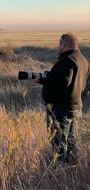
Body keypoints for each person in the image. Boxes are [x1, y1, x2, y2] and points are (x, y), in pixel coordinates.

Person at [31, 32, 90, 165]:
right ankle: (75, 165)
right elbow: (79, 83)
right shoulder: (83, 60)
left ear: (63, 45)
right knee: (71, 139)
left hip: (60, 109)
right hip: (75, 107)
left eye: (60, 45)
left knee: (58, 142)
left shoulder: (66, 60)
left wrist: (41, 80)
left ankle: (60, 170)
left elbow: (61, 83)